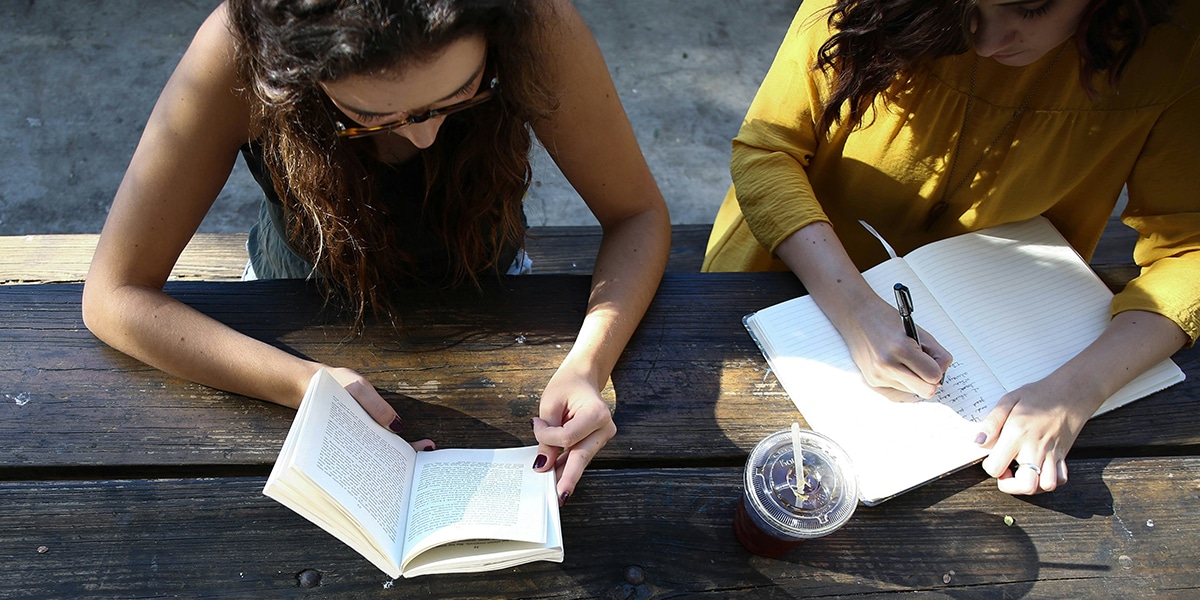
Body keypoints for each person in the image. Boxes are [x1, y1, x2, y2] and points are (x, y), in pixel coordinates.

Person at [82, 0, 671, 505]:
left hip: (494, 293)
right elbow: (113, 295)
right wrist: (303, 383)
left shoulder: (535, 22)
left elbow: (637, 215)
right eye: (369, 116)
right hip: (290, 310)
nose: (422, 136)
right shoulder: (240, 49)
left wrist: (588, 364)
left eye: (460, 94)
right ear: (293, 71)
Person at [704, 0, 1198, 495]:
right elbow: (768, 151)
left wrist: (1076, 391)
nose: (986, 42)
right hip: (783, 269)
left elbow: (1189, 251)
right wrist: (855, 309)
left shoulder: (1176, 48)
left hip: (1014, 327)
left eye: (1030, 9)